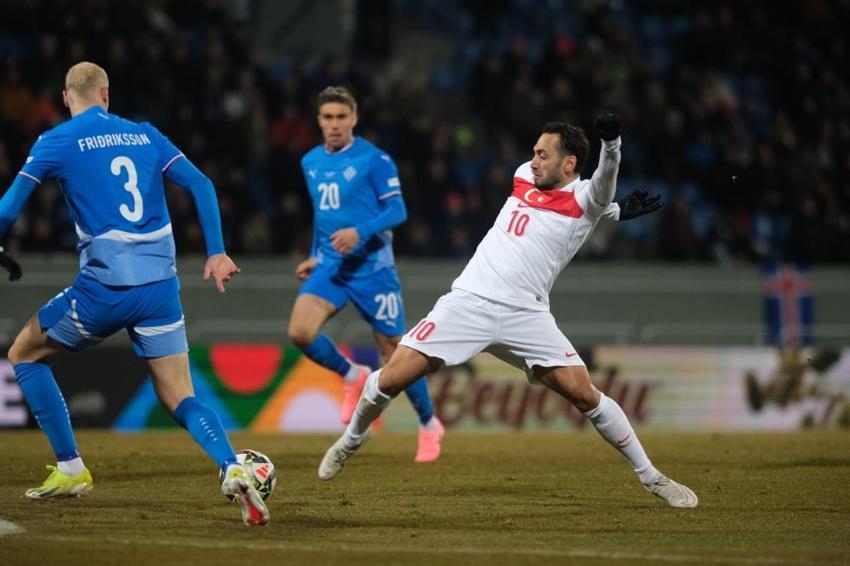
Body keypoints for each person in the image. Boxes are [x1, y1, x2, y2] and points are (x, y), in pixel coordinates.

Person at [318, 114, 698, 508]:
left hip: (526, 315)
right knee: (391, 378)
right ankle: (351, 439)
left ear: (569, 163)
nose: (533, 161)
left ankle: (652, 477)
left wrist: (611, 145)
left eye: (543, 155)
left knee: (585, 395)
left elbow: (602, 182)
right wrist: (613, 210)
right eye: (534, 152)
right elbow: (587, 198)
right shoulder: (524, 175)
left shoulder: (587, 198)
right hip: (469, 302)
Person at [0, 62, 269, 526]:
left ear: (66, 98)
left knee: (24, 354)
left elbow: (8, 210)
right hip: (159, 290)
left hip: (104, 290)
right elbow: (202, 184)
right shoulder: (146, 134)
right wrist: (217, 251)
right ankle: (230, 467)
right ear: (106, 93)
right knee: (179, 394)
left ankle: (71, 469)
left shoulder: (56, 140)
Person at [288, 86, 443, 462]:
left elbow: (397, 211)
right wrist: (315, 254)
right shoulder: (310, 161)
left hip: (373, 270)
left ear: (354, 118)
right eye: (328, 117)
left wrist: (359, 232)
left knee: (395, 354)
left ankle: (428, 423)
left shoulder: (375, 159)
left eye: (342, 117)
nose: (335, 124)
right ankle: (352, 375)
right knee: (300, 332)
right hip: (332, 267)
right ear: (319, 121)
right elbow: (322, 215)